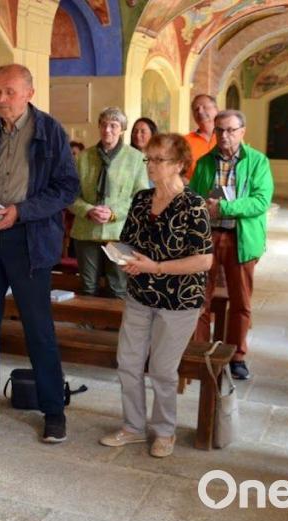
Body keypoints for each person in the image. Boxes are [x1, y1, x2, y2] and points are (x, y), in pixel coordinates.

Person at [0, 64, 79, 442]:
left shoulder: (50, 131)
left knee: (38, 329)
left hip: (30, 241)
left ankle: (53, 410)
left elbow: (67, 188)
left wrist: (21, 212)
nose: (1, 98)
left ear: (29, 93)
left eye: (9, 92)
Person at [99, 133, 212, 458]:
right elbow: (128, 242)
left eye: (158, 160)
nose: (150, 165)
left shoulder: (193, 205)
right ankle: (133, 427)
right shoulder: (141, 199)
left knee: (162, 369)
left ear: (179, 164)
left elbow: (204, 260)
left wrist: (156, 267)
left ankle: (164, 431)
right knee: (128, 362)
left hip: (179, 301)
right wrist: (124, 258)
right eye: (148, 159)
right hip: (140, 295)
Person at [190, 110, 274, 381]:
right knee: (199, 298)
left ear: (242, 132)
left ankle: (237, 356)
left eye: (230, 130)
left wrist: (225, 207)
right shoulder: (205, 162)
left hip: (240, 237)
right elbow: (193, 197)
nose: (224, 135)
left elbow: (260, 201)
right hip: (208, 236)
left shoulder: (257, 161)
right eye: (219, 130)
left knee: (240, 301)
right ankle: (201, 351)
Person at [69, 107, 150, 297]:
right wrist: (88, 210)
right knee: (87, 288)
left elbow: (142, 198)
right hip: (86, 231)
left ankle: (116, 319)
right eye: (103, 125)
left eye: (113, 126)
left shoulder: (136, 159)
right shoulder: (83, 157)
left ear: (122, 129)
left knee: (118, 288)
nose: (107, 130)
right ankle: (87, 317)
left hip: (119, 232)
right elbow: (69, 195)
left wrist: (114, 213)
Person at [184, 95, 218, 182]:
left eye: (205, 107)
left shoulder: (228, 137)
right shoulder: (184, 141)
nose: (200, 111)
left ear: (216, 110)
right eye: (196, 109)